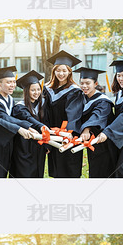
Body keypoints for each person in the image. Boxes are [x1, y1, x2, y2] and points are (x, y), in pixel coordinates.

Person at [0, 66, 37, 178]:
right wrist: (25, 126)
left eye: (14, 82)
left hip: (6, 144)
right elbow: (5, 118)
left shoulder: (9, 99)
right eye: (8, 82)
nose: (12, 85)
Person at [43, 50, 84, 178]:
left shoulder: (75, 91)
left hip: (69, 135)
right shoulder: (47, 88)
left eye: (64, 70)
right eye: (58, 70)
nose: (61, 74)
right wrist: (47, 134)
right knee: (56, 169)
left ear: (69, 72)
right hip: (53, 135)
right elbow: (44, 112)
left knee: (69, 168)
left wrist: (67, 134)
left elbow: (74, 114)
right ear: (54, 71)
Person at [74, 67, 117, 178]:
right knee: (95, 169)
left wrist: (87, 128)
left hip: (105, 142)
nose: (84, 86)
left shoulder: (103, 101)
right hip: (93, 143)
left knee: (104, 171)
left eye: (88, 83)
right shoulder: (84, 98)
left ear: (96, 83)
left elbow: (97, 116)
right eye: (82, 83)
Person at [11, 70, 47, 178]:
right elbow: (28, 118)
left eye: (38, 89)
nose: (36, 92)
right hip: (24, 148)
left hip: (39, 147)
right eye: (32, 90)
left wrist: (47, 145)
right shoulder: (19, 107)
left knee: (38, 173)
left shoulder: (42, 105)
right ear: (26, 91)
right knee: (25, 174)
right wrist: (41, 126)